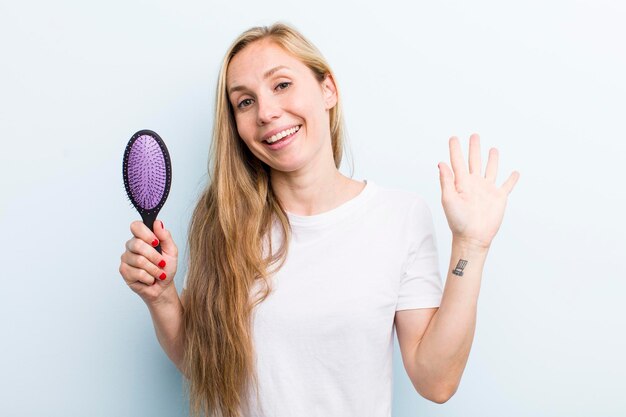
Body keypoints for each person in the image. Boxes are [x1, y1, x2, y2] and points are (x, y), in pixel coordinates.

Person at [118, 22, 519, 417]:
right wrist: (163, 296)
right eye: (245, 101)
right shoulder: (221, 221)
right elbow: (204, 365)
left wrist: (471, 246)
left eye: (281, 85)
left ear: (328, 89)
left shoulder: (400, 217)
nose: (267, 112)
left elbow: (436, 381)